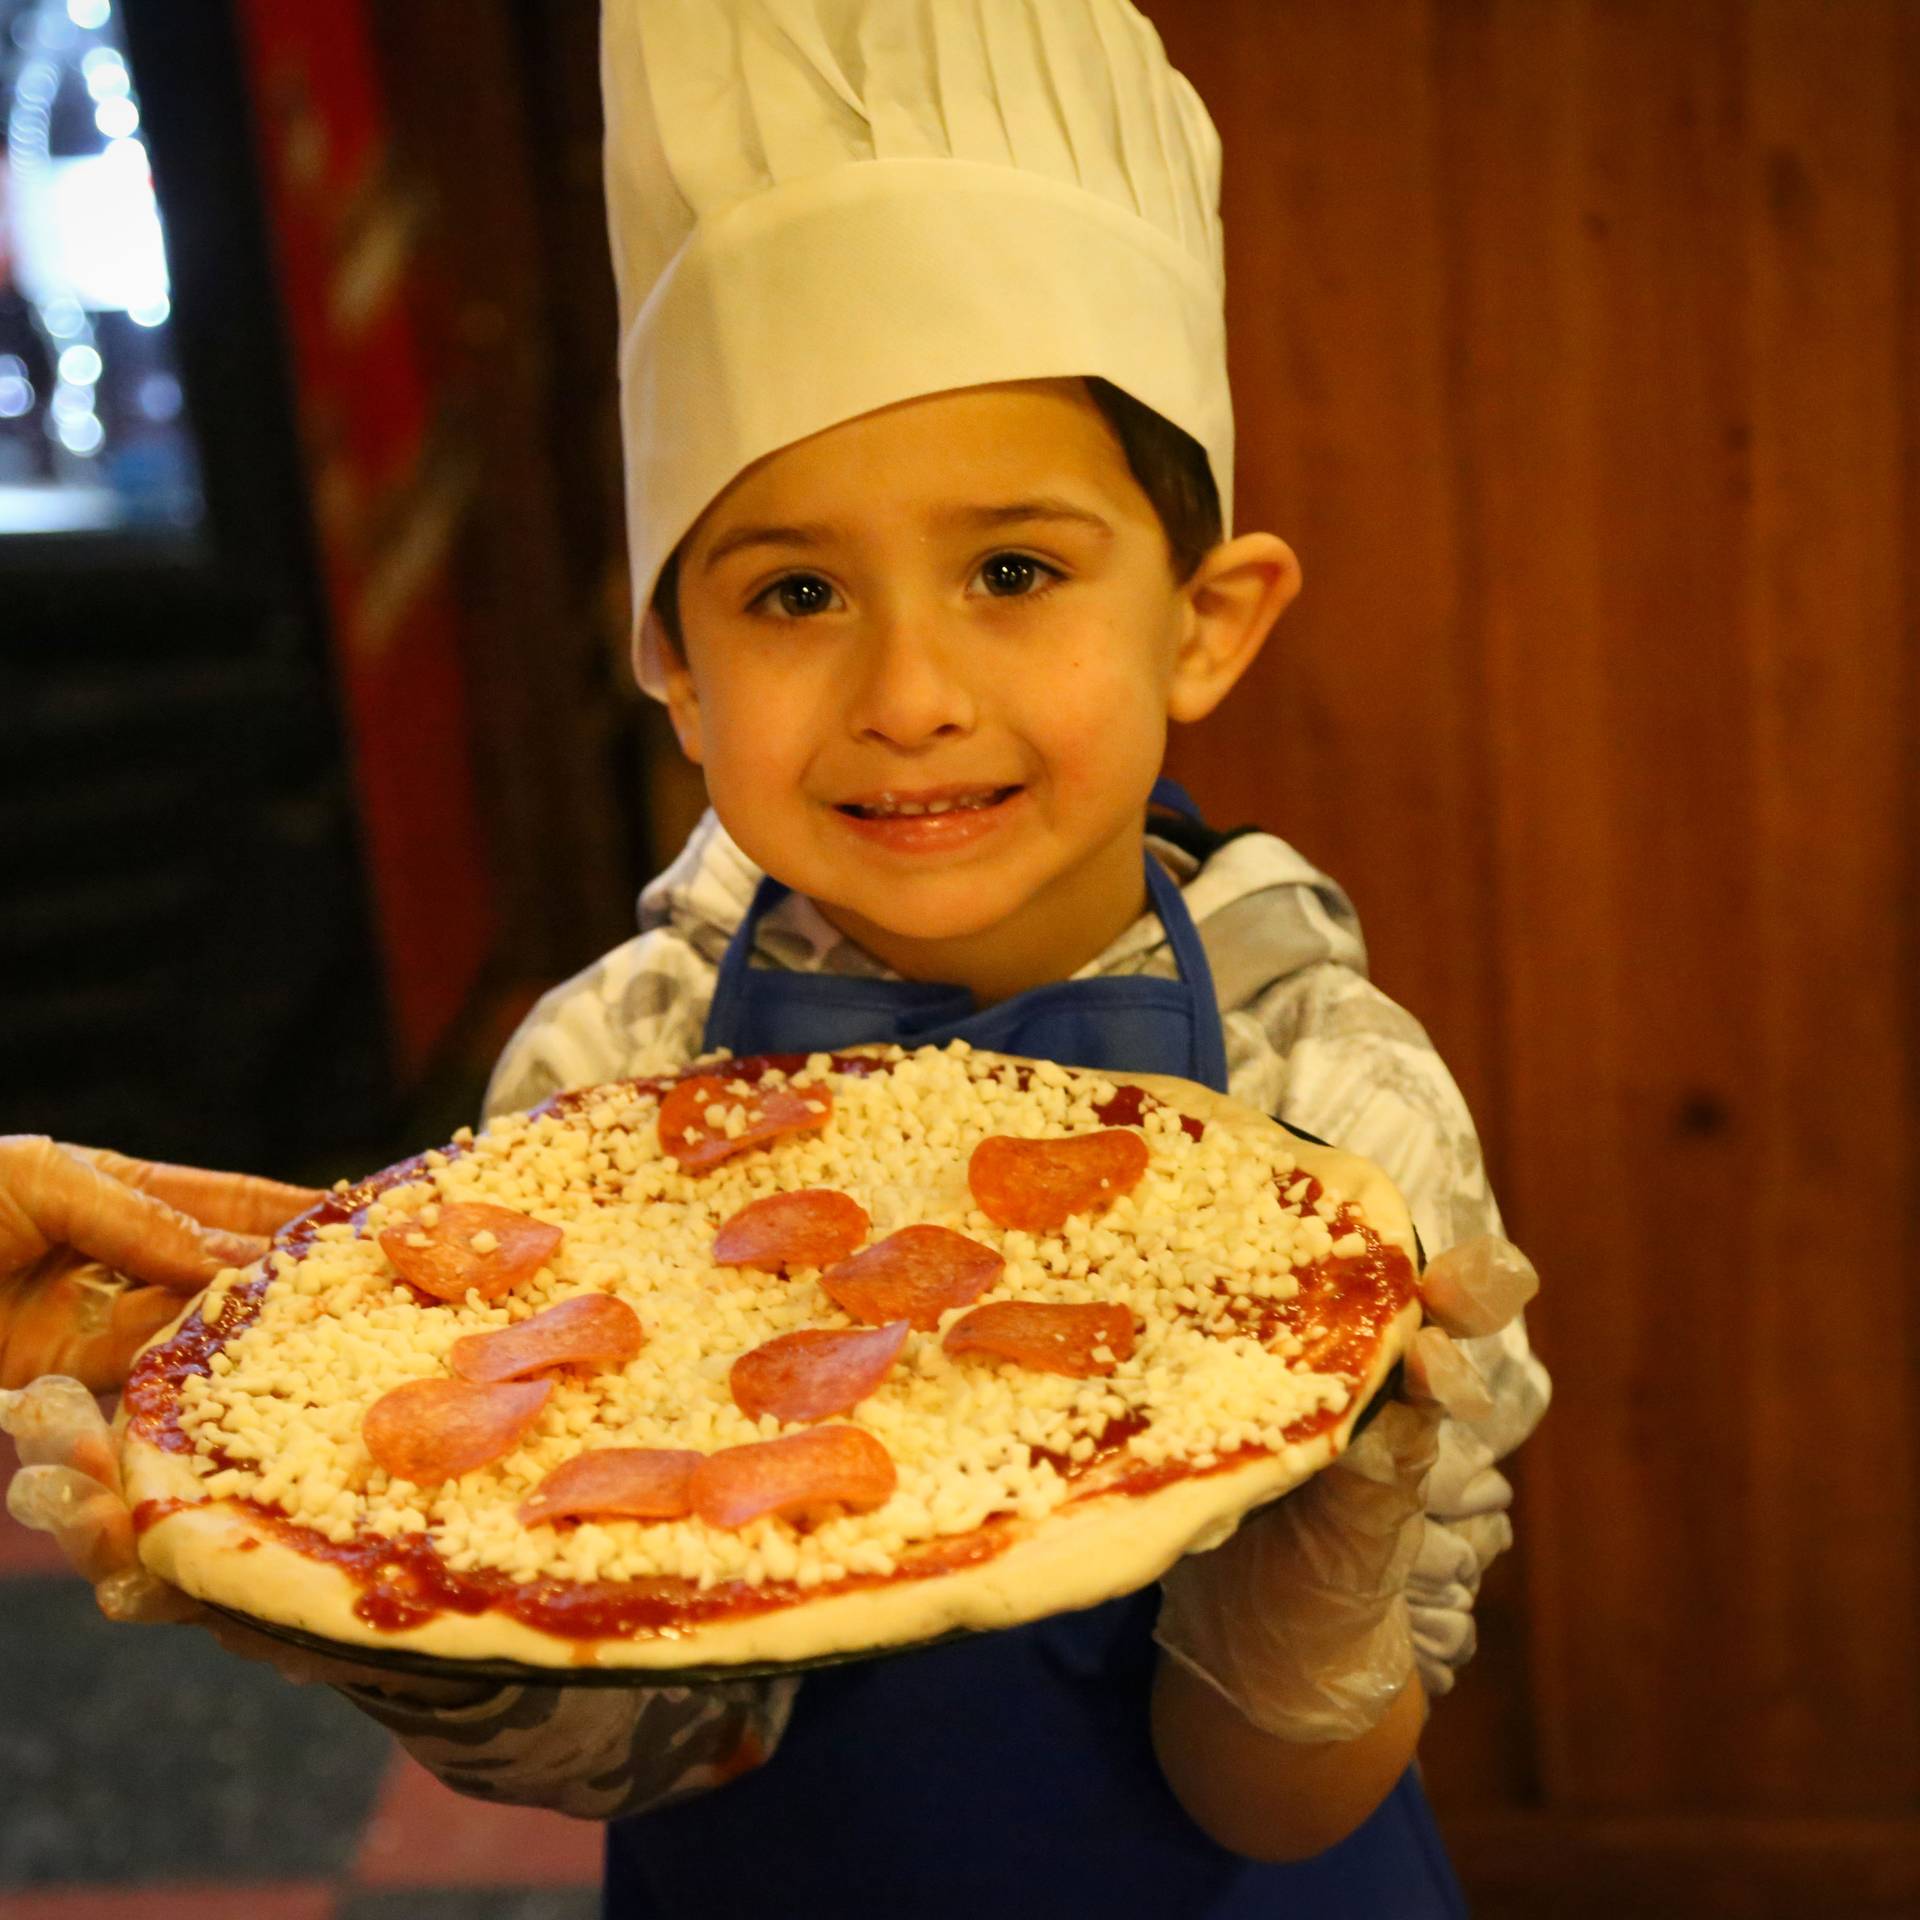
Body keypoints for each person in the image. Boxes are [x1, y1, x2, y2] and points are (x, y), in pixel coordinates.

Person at [4, 3, 1552, 1913]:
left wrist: (1311, 1588)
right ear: (674, 666)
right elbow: (657, 1742)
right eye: (795, 592)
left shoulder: (1344, 1107)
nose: (909, 696)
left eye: (1014, 571)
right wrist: (387, 1617)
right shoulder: (604, 1082)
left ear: (1207, 624)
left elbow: (1281, 1801)